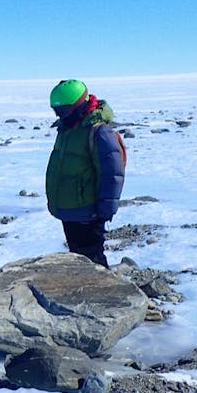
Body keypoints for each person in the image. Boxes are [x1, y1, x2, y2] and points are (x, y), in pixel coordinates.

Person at [45, 79, 125, 267]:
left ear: (79, 105)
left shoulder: (98, 131)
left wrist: (106, 208)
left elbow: (112, 173)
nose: (60, 115)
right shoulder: (67, 129)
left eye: (64, 111)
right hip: (70, 209)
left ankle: (104, 295)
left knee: (93, 261)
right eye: (57, 111)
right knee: (79, 260)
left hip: (88, 211)